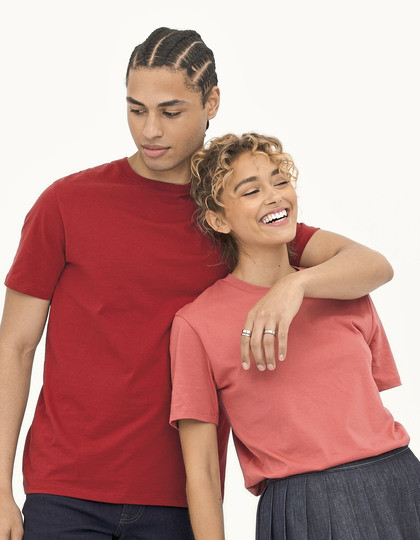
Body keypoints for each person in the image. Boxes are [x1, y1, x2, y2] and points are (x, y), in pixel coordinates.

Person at [0, 28, 393, 540]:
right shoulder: (66, 203)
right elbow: (16, 345)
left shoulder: (234, 214)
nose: (150, 130)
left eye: (170, 111)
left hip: (181, 496)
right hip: (65, 487)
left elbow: (370, 265)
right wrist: (0, 486)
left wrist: (293, 286)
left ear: (211, 103)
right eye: (136, 109)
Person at [170, 132, 420, 540]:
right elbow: (202, 472)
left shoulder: (342, 289)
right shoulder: (197, 324)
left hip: (400, 481)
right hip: (303, 505)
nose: (274, 197)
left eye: (280, 182)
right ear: (218, 220)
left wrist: (294, 284)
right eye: (251, 190)